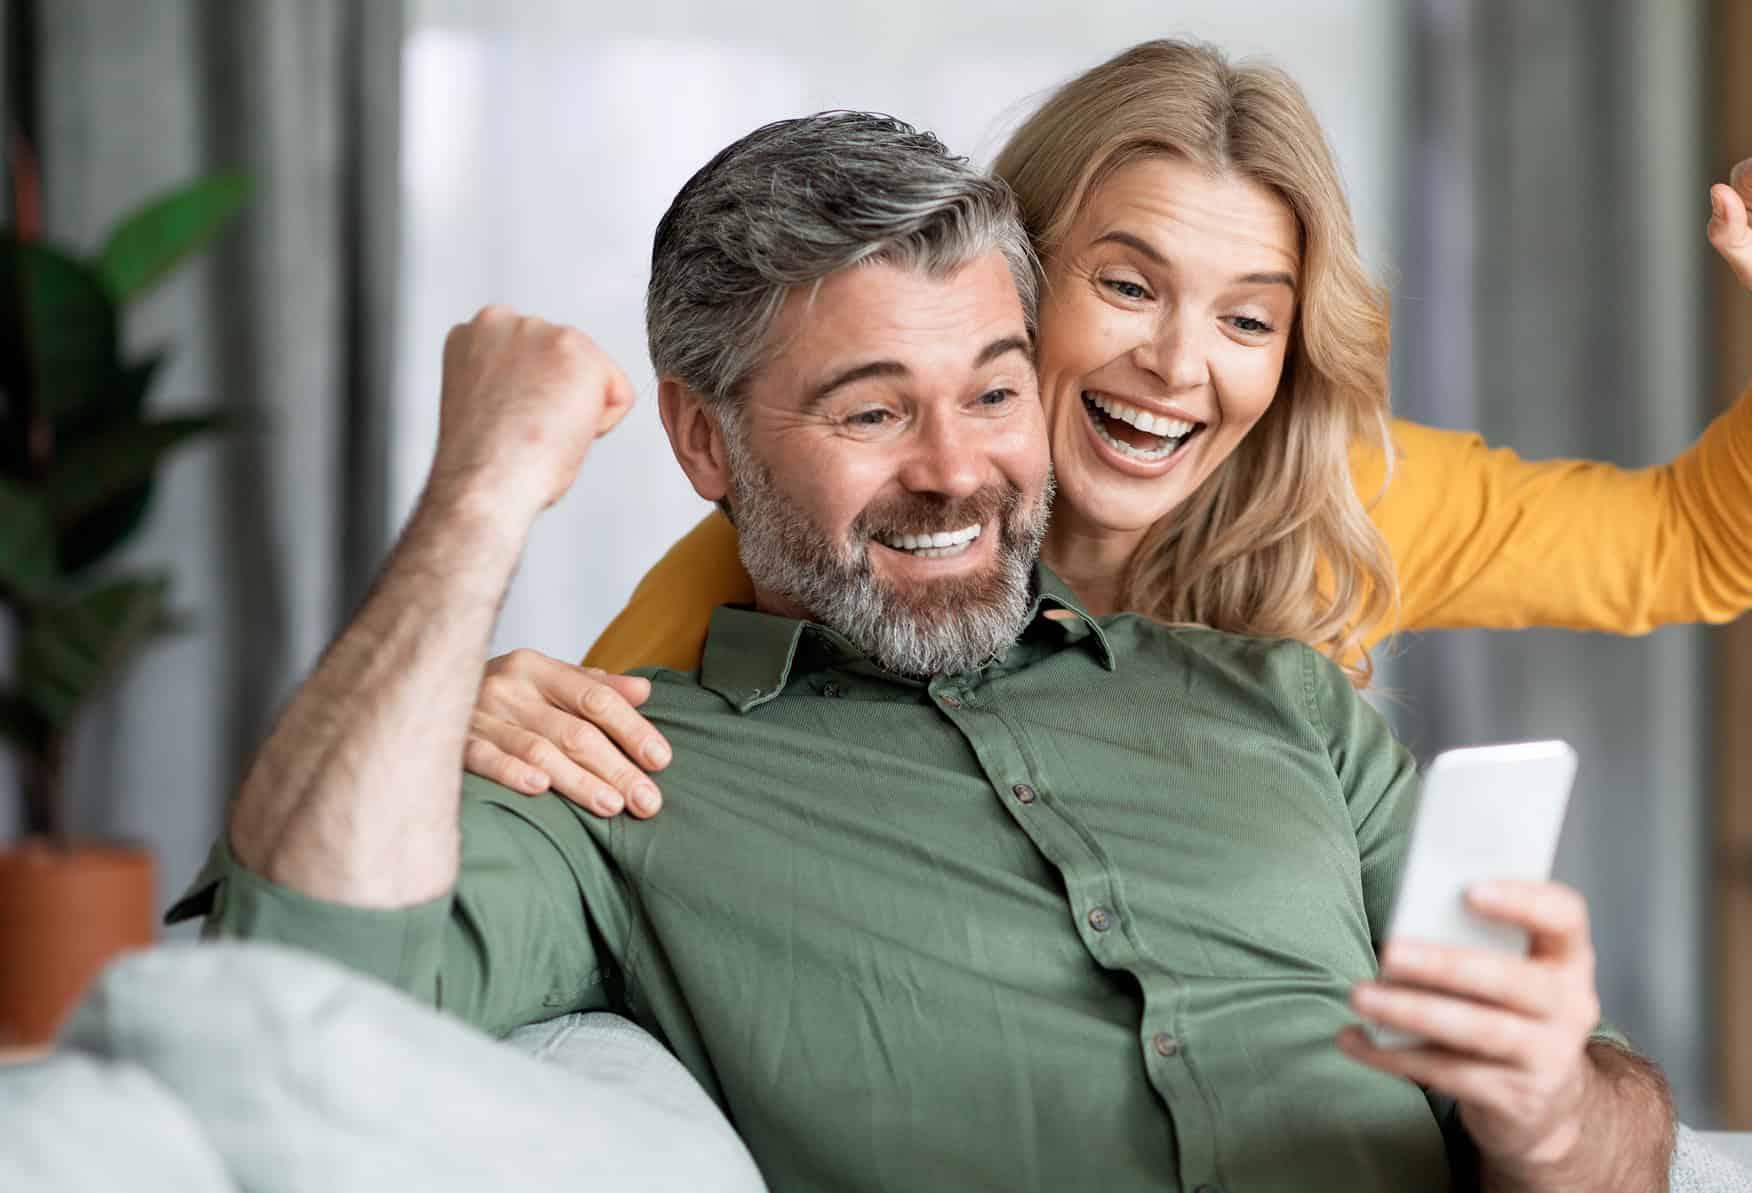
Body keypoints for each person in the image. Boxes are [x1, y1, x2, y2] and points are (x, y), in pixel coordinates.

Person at [175, 111, 1674, 1192]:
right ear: (704, 440)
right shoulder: (622, 780)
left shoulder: (1282, 699)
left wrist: (1546, 1110)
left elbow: (1618, 1130)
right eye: (873, 411)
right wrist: (480, 495)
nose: (958, 471)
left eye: (997, 391)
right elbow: (296, 985)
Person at [458, 40, 1752, 822]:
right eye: (1129, 284)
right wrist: (483, 711)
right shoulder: (842, 531)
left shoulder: (1338, 498)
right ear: (1014, 279)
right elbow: (578, 763)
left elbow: (1689, 547)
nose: (1176, 366)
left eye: (1246, 317)